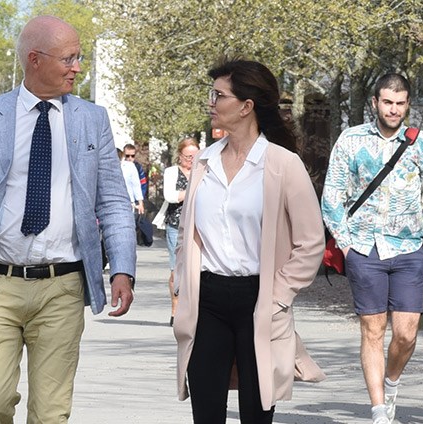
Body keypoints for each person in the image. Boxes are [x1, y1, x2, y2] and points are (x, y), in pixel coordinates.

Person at [0, 15, 136, 424]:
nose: (78, 67)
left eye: (79, 57)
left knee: (51, 414)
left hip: (63, 286)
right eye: (69, 58)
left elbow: (113, 202)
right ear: (35, 60)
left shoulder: (93, 119)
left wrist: (123, 268)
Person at [173, 59, 326, 424]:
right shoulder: (203, 164)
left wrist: (279, 296)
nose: (211, 102)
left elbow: (311, 241)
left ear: (246, 106)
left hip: (259, 300)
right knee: (205, 412)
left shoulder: (282, 164)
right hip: (206, 300)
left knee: (257, 414)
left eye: (219, 95)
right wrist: (181, 282)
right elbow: (187, 234)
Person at [321, 73, 423, 424]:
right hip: (364, 248)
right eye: (388, 102)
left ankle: (390, 382)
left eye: (400, 103)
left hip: (410, 249)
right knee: (372, 330)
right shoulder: (351, 140)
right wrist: (346, 246)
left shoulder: (421, 143)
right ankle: (379, 410)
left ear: (407, 104)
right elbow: (332, 196)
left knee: (406, 334)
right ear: (375, 102)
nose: (394, 109)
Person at [158, 137, 199, 326]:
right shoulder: (172, 172)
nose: (191, 160)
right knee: (177, 269)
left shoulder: (204, 171)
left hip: (200, 225)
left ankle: (194, 311)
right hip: (176, 224)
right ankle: (175, 307)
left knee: (197, 270)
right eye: (188, 156)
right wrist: (192, 191)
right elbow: (170, 195)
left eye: (195, 156)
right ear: (180, 156)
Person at [117, 148, 145, 214]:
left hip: (128, 202)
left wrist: (140, 203)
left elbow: (136, 185)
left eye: (132, 156)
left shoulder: (130, 166)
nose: (130, 158)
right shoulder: (107, 167)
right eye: (127, 155)